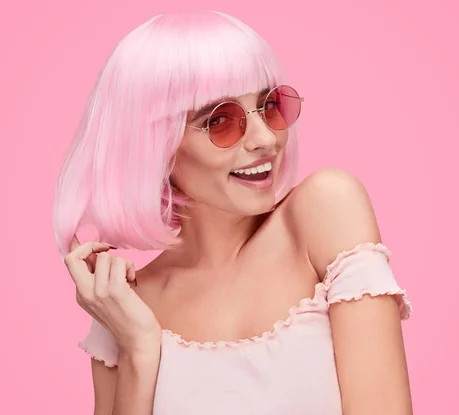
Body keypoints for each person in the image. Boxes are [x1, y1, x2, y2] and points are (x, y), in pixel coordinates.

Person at [53, 10, 413, 415]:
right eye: (220, 120)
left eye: (270, 105)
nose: (265, 139)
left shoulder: (325, 210)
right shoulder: (123, 306)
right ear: (155, 147)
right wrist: (139, 350)